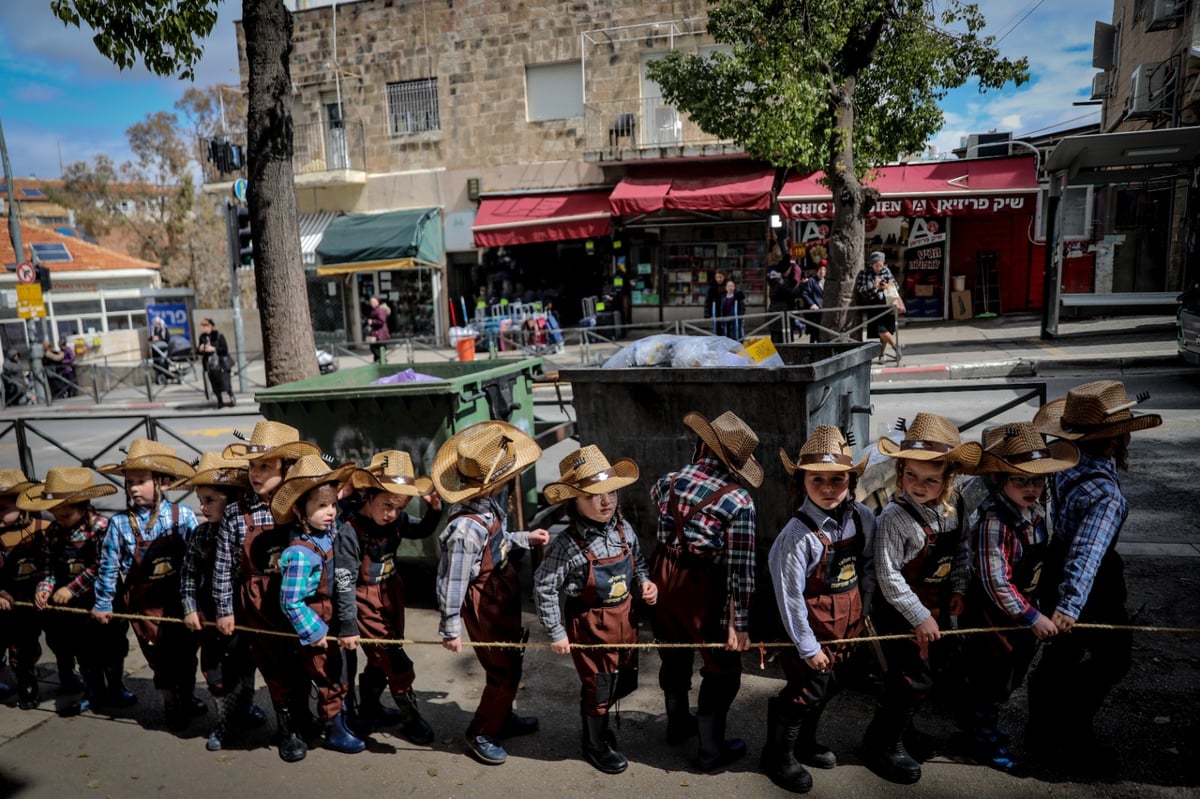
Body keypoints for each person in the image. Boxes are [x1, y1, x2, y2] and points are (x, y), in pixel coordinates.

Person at [1028, 381, 1162, 765]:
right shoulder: (1104, 495)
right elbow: (1087, 554)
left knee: (1062, 655)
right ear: (1118, 439)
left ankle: (1043, 731)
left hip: (1057, 563)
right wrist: (1070, 605)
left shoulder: (1064, 459)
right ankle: (1069, 728)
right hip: (1091, 582)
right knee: (1113, 658)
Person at [865, 413, 981, 784]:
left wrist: (960, 587)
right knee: (908, 679)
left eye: (931, 480)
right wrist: (917, 616)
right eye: (910, 476)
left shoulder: (956, 506)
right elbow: (888, 575)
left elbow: (961, 548)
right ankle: (881, 743)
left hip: (937, 604)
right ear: (900, 472)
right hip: (899, 612)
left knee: (930, 674)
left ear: (949, 479)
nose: (918, 485)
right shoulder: (894, 519)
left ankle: (903, 730)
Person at [763, 426, 875, 794]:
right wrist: (807, 647)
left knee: (829, 687)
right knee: (804, 692)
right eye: (817, 480)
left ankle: (806, 742)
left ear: (851, 480)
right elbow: (790, 598)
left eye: (837, 479)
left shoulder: (861, 518)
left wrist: (862, 618)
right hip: (811, 634)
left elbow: (866, 567)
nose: (828, 488)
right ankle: (778, 755)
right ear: (801, 481)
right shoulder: (797, 536)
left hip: (848, 628)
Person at [961, 423, 1078, 772]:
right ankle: (982, 741)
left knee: (1007, 680)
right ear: (999, 480)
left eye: (1037, 481)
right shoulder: (993, 523)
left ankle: (981, 729)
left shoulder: (1037, 514)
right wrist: (1032, 617)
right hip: (993, 619)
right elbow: (997, 584)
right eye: (1020, 480)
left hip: (1022, 614)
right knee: (990, 683)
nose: (1031, 488)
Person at [533, 446, 656, 775]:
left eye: (611, 492)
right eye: (593, 496)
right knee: (597, 686)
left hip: (625, 621)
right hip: (590, 626)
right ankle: (594, 744)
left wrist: (645, 582)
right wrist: (556, 631)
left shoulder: (623, 529)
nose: (606, 502)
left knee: (620, 679)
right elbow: (544, 587)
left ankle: (599, 728)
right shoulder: (566, 546)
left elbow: (639, 562)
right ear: (573, 501)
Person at [432, 420, 549, 766]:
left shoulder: (488, 506)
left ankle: (502, 715)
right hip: (485, 602)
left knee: (510, 660)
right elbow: (452, 580)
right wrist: (450, 626)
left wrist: (525, 538)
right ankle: (481, 732)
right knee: (503, 669)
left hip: (502, 589)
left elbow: (498, 541)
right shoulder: (464, 528)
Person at [650, 410, 761, 772]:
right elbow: (741, 569)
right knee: (723, 667)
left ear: (701, 446)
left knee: (674, 651)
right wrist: (738, 622)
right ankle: (711, 751)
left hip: (663, 576)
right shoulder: (739, 501)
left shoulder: (668, 481)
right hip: (703, 586)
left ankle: (677, 724)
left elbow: (657, 501)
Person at [215, 421, 322, 762]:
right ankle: (286, 728)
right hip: (260, 607)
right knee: (275, 671)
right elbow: (223, 568)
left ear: (287, 468)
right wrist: (224, 609)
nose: (255, 474)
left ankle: (305, 716)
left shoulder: (301, 508)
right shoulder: (237, 513)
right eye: (251, 466)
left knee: (303, 665)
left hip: (301, 602)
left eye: (264, 466)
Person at [93, 440, 201, 731]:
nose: (134, 489)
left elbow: (196, 561)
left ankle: (188, 694)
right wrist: (103, 603)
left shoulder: (183, 517)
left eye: (141, 482)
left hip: (180, 603)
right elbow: (108, 567)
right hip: (144, 607)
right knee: (159, 657)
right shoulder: (119, 525)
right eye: (129, 483)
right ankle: (170, 700)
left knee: (187, 654)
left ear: (162, 483)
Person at [334, 450, 441, 742]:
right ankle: (411, 718)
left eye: (400, 506)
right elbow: (343, 582)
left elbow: (421, 531)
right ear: (369, 495)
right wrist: (347, 624)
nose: (392, 514)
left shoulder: (395, 519)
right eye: (387, 505)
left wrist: (433, 510)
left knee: (379, 660)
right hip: (364, 601)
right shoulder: (350, 531)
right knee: (397, 662)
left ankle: (370, 709)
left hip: (391, 594)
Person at [271, 455, 365, 756]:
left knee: (340, 670)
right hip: (316, 622)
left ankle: (341, 719)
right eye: (321, 506)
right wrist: (314, 631)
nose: (330, 512)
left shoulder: (327, 533)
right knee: (328, 677)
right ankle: (334, 728)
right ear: (299, 510)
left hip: (331, 615)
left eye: (332, 505)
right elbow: (290, 601)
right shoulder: (300, 554)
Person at [173, 451, 266, 751]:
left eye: (210, 499)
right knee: (215, 672)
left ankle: (246, 706)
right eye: (200, 500)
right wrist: (190, 607)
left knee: (246, 664)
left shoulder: (246, 526)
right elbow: (188, 574)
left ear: (233, 497)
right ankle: (224, 719)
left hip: (248, 613)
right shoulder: (201, 535)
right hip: (213, 617)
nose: (202, 507)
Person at [19, 467, 121, 716]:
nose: (59, 517)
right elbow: (48, 566)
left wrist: (72, 589)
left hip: (99, 598)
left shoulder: (101, 527)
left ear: (84, 506)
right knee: (84, 649)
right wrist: (45, 588)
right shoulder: (53, 533)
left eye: (66, 514)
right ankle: (93, 690)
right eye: (55, 512)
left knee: (112, 645)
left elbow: (103, 565)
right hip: (69, 604)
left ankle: (117, 687)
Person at [0, 469, 49, 710]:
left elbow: (54, 564)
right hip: (6, 604)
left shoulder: (43, 528)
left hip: (36, 599)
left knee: (28, 644)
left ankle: (29, 678)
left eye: (2, 509)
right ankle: (21, 683)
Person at [855, 252, 901, 362]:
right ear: (871, 264)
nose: (879, 268)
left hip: (886, 305)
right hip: (874, 305)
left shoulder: (886, 271)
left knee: (884, 331)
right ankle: (896, 346)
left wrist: (887, 286)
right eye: (877, 265)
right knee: (881, 330)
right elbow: (860, 289)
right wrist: (873, 287)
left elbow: (896, 286)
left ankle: (881, 354)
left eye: (881, 265)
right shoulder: (864, 273)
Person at [198, 318, 235, 409]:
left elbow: (225, 349)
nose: (203, 329)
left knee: (225, 383)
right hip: (209, 365)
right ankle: (220, 401)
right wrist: (200, 349)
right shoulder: (202, 338)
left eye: (205, 326)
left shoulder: (218, 336)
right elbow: (198, 352)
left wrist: (214, 349)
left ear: (210, 326)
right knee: (214, 385)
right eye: (203, 327)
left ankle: (232, 398)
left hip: (221, 364)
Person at [768, 260, 806, 343]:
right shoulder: (780, 282)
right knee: (781, 342)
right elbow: (792, 293)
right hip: (780, 317)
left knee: (782, 341)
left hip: (780, 317)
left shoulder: (777, 280)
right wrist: (802, 285)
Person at [799, 262, 826, 342]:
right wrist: (812, 304)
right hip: (815, 313)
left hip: (824, 312)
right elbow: (804, 293)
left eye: (824, 270)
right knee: (814, 334)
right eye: (820, 269)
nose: (822, 272)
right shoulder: (811, 281)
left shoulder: (827, 282)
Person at [366, 296, 390, 363]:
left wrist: (372, 321)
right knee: (374, 348)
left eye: (372, 302)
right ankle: (378, 362)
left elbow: (382, 321)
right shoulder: (374, 310)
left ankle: (382, 361)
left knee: (378, 349)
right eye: (370, 302)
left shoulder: (379, 310)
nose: (371, 303)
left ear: (377, 302)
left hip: (380, 334)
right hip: (376, 334)